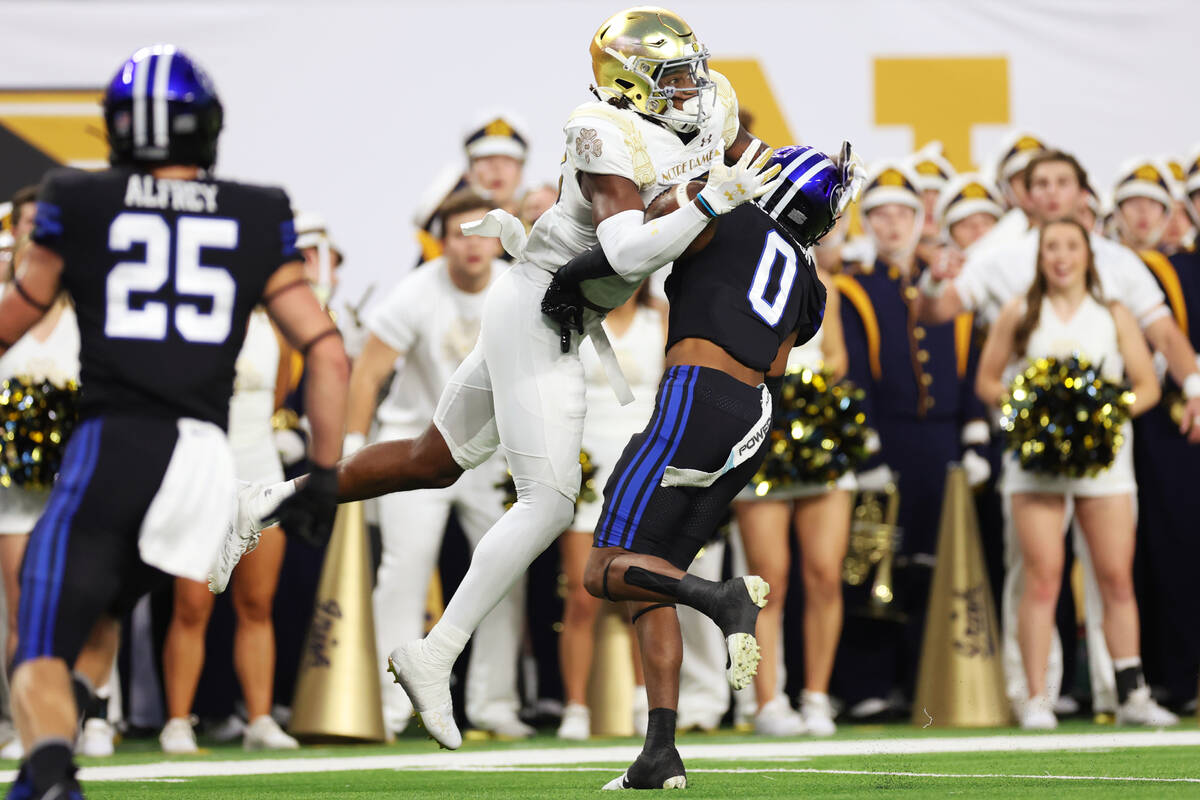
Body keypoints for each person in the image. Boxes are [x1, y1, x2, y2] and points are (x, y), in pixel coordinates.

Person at [222, 6, 782, 752]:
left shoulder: (705, 106)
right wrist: (716, 198)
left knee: (432, 459)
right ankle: (435, 653)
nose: (691, 88)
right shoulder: (601, 131)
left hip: (554, 310)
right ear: (627, 84)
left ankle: (266, 501)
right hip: (540, 309)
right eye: (671, 76)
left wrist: (782, 186)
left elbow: (749, 164)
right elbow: (624, 255)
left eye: (690, 70)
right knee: (549, 505)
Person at [0, 45, 348, 800]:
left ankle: (53, 773)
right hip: (202, 460)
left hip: (113, 442)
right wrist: (321, 474)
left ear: (119, 131)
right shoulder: (257, 210)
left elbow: (15, 318)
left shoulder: (78, 197)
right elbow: (326, 352)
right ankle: (45, 773)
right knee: (105, 619)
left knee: (35, 638)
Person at [547, 143, 849, 789]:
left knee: (603, 571)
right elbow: (774, 365)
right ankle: (659, 753)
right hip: (755, 417)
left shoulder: (729, 213)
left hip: (693, 393)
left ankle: (722, 599)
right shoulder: (807, 279)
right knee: (650, 575)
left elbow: (644, 234)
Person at [974, 218, 1177, 730]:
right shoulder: (1020, 311)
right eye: (1051, 248)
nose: (1061, 257)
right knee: (1042, 580)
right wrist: (1035, 411)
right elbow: (986, 380)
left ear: (1088, 254)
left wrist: (1100, 417)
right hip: (1035, 466)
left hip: (1104, 464)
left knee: (1115, 579)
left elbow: (1147, 387)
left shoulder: (1114, 313)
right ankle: (1036, 697)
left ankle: (1131, 692)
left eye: (1070, 247)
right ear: (1039, 257)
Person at [343, 190, 532, 739]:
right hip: (414, 447)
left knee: (504, 572)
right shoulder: (415, 291)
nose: (472, 247)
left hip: (491, 450)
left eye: (481, 234)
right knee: (403, 571)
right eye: (458, 235)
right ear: (441, 241)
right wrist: (355, 449)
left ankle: (494, 704)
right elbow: (368, 373)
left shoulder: (517, 282)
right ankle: (391, 703)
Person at [830, 161, 989, 719]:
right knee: (875, 561)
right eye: (880, 215)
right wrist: (868, 451)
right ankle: (867, 685)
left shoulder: (947, 285)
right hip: (888, 441)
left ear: (920, 220)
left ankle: (928, 683)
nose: (893, 225)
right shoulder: (855, 289)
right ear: (866, 223)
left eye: (903, 214)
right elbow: (854, 378)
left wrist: (974, 444)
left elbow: (969, 370)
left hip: (941, 445)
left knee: (935, 565)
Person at [159, 306, 299, 753]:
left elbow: (279, 393)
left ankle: (259, 719)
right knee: (191, 606)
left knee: (258, 604)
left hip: (262, 472)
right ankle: (178, 722)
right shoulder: (190, 316)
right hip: (201, 473)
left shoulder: (274, 325)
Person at [731, 269, 850, 737]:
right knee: (768, 578)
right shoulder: (742, 277)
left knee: (824, 573)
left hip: (817, 436)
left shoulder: (829, 286)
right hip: (762, 427)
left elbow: (837, 355)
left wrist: (809, 397)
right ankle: (768, 703)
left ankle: (817, 698)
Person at [556, 285, 663, 741]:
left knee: (646, 592)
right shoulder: (574, 319)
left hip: (643, 470)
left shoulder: (663, 318)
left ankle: (647, 706)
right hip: (588, 468)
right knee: (582, 597)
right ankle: (575, 709)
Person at [412, 112, 530, 264]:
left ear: (520, 173)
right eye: (487, 159)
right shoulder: (447, 230)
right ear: (469, 172)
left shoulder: (538, 229)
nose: (497, 168)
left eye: (507, 161)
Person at [969, 131, 1047, 253]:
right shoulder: (992, 244)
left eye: (1040, 177)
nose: (1032, 185)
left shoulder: (1081, 227)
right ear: (1006, 191)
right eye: (1022, 178)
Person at [1111, 157, 1175, 253]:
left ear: (1165, 214)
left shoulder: (1185, 266)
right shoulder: (1097, 261)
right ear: (1118, 211)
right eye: (1134, 202)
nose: (1143, 211)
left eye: (1153, 203)